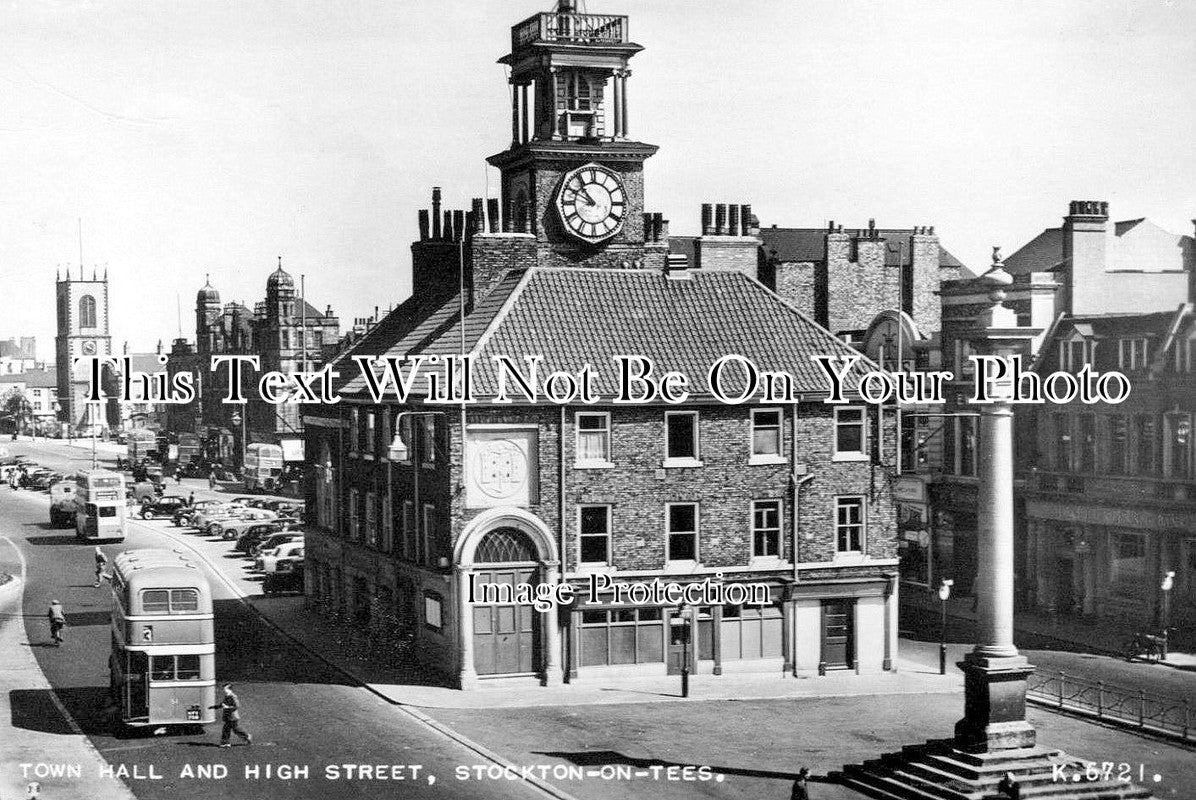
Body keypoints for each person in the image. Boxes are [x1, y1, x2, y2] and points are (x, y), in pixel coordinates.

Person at [210, 683, 252, 747]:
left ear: (229, 689)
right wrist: (214, 707)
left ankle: (226, 742)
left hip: (232, 716)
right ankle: (245, 737)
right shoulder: (227, 696)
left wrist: (227, 707)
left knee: (228, 729)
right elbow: (222, 704)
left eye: (225, 689)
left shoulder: (233, 696)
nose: (224, 690)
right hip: (228, 716)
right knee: (233, 729)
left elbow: (237, 705)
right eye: (224, 689)